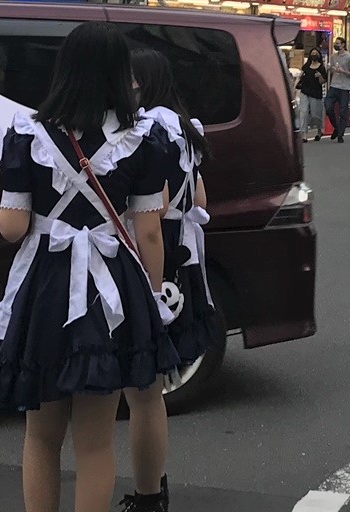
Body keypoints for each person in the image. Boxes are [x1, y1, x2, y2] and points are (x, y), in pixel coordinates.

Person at [0, 22, 175, 512]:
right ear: (118, 74)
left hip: (45, 284)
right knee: (95, 442)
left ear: (64, 70)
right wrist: (151, 296)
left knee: (41, 436)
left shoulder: (25, 133)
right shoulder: (144, 138)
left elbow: (12, 226)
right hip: (112, 288)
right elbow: (149, 230)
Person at [120, 48, 215, 512]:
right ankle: (153, 488)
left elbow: (149, 208)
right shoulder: (186, 126)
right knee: (152, 384)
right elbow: (198, 195)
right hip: (185, 250)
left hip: (152, 249)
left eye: (131, 81)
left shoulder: (146, 129)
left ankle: (149, 491)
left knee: (141, 383)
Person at [297, 48, 327, 142]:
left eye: (315, 53)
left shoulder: (321, 67)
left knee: (315, 114)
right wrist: (294, 87)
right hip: (305, 91)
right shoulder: (306, 66)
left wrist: (319, 76)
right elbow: (300, 76)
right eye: (312, 53)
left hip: (315, 93)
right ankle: (304, 134)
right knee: (303, 112)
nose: (314, 55)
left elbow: (323, 81)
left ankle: (319, 130)